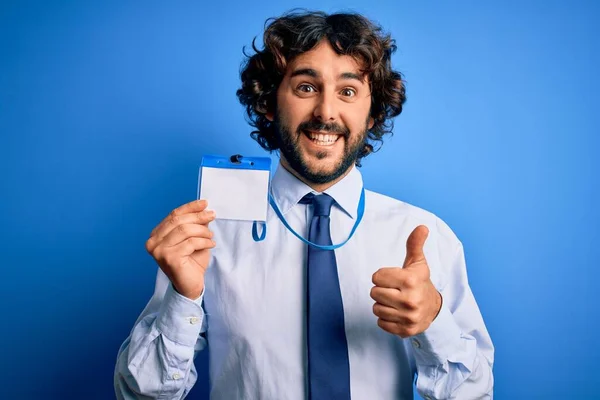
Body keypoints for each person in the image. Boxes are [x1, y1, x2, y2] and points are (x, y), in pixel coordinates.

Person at [114, 10, 494, 400]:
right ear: (268, 103)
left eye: (347, 91)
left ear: (373, 112)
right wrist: (183, 297)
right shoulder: (209, 236)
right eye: (306, 88)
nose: (326, 112)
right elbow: (138, 396)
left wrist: (433, 321)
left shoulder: (424, 238)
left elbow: (476, 395)